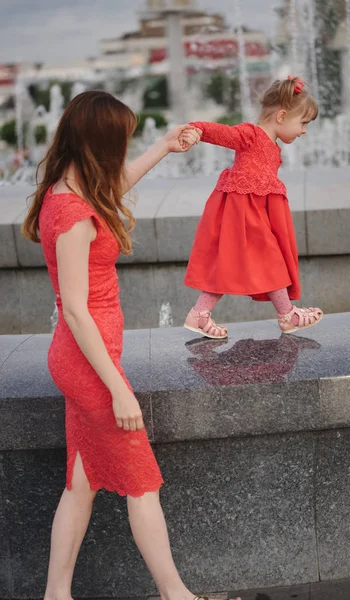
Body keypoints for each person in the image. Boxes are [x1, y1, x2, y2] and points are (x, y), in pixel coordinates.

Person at [21, 91, 236, 600]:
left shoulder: (70, 189)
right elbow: (74, 309)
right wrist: (119, 389)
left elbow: (114, 186)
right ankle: (175, 596)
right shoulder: (72, 214)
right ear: (100, 141)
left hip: (86, 360)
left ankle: (56, 594)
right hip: (88, 366)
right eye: (122, 138)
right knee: (142, 482)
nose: (125, 147)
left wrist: (164, 146)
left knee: (81, 484)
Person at [184, 76, 323, 339]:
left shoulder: (272, 143)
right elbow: (222, 132)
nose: (304, 130)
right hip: (244, 214)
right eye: (303, 123)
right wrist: (195, 129)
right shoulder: (251, 135)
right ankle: (287, 315)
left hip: (256, 212)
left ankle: (199, 315)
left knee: (233, 263)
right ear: (281, 116)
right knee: (271, 260)